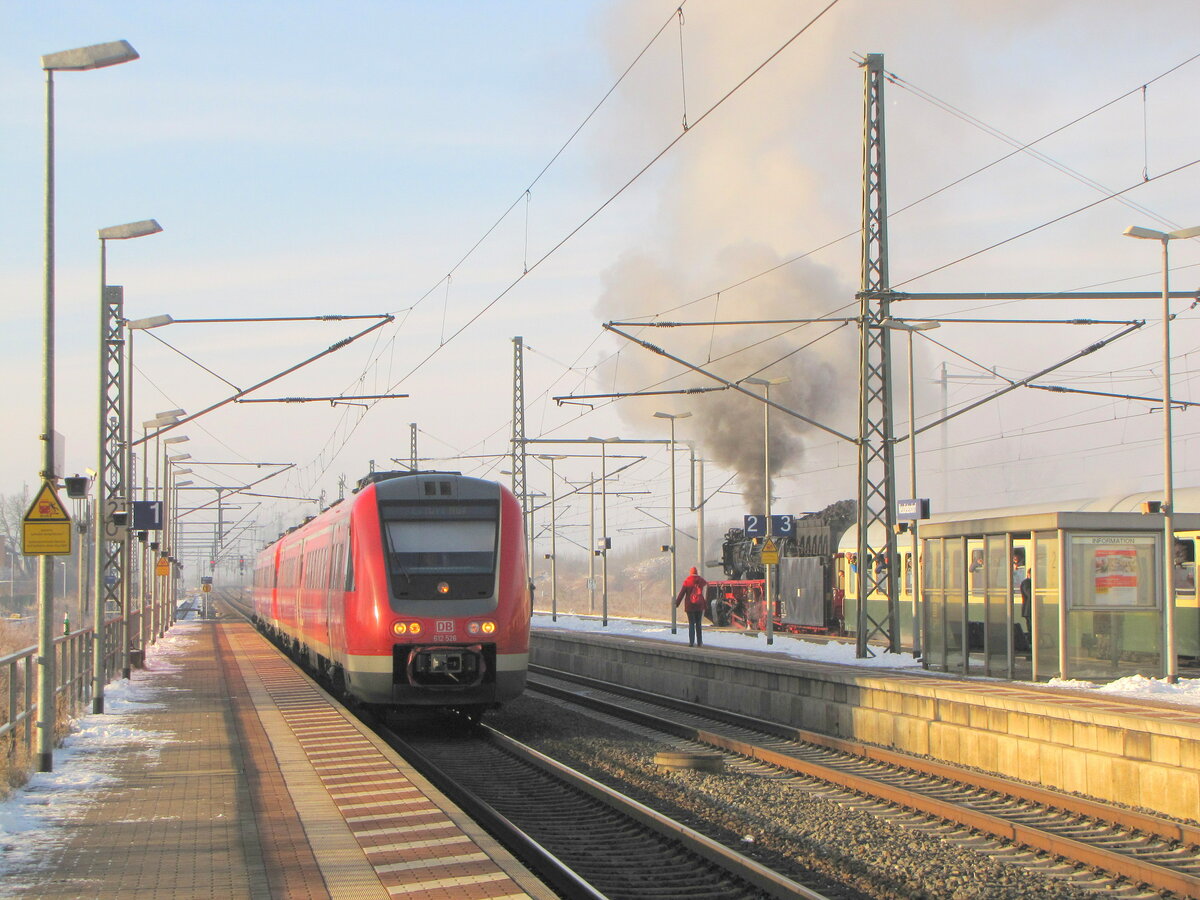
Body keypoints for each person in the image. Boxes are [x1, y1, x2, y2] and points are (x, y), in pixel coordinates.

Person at [674, 566, 709, 647]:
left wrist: (677, 603)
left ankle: (691, 642)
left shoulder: (687, 581)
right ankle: (700, 642)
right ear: (696, 572)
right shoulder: (700, 580)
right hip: (699, 605)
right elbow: (706, 584)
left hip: (690, 606)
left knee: (691, 624)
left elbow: (682, 593)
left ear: (690, 572)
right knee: (698, 624)